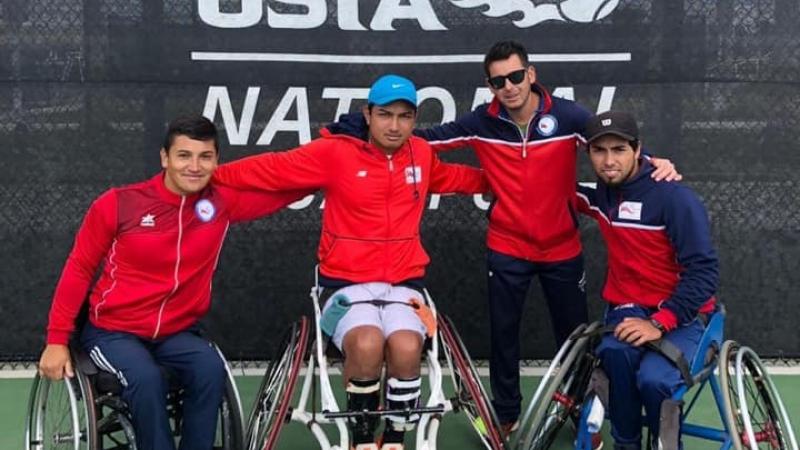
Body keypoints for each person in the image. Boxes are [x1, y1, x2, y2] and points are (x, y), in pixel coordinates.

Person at [332, 40, 679, 436]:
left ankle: (583, 414)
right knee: (504, 338)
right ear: (490, 86)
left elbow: (610, 142)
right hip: (507, 248)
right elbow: (422, 138)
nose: (509, 86)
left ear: (531, 75)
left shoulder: (567, 116)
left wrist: (653, 162)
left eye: (516, 76)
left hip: (562, 247)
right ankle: (506, 415)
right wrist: (359, 130)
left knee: (577, 340)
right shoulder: (482, 122)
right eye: (499, 81)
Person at [212, 74, 488, 450]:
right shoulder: (335, 153)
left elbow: (457, 178)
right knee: (368, 343)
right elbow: (272, 168)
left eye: (404, 116)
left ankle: (392, 439)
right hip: (345, 285)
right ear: (368, 114)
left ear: (414, 119)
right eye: (385, 115)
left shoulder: (421, 154)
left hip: (404, 285)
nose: (394, 125)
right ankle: (361, 438)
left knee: (407, 347)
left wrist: (508, 181)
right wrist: (211, 175)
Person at [38, 115, 307, 450]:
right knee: (146, 379)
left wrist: (336, 161)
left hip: (177, 332)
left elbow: (291, 188)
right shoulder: (119, 203)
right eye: (184, 155)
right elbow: (79, 268)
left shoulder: (220, 203)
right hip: (113, 330)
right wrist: (56, 339)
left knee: (209, 369)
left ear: (217, 160)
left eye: (205, 156)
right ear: (164, 158)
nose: (194, 166)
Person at [575, 111, 719, 449]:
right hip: (628, 308)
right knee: (614, 354)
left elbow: (704, 272)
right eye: (600, 151)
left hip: (685, 317)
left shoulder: (674, 198)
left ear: (638, 150)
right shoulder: (605, 193)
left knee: (654, 380)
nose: (609, 160)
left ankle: (664, 444)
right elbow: (555, 189)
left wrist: (660, 322)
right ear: (590, 155)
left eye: (619, 150)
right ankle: (626, 444)